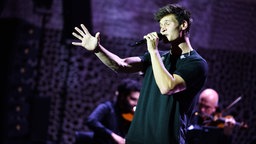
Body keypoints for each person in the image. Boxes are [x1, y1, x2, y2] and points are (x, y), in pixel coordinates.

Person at [72, 3, 208, 144]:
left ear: (183, 25)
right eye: (161, 25)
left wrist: (154, 51)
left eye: (167, 23)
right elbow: (121, 64)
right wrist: (97, 49)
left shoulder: (196, 63)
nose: (162, 29)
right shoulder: (158, 57)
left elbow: (167, 87)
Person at [75, 79, 141, 144]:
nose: (136, 104)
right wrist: (112, 135)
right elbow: (91, 120)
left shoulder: (132, 114)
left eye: (138, 100)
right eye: (133, 99)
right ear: (122, 96)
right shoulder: (107, 107)